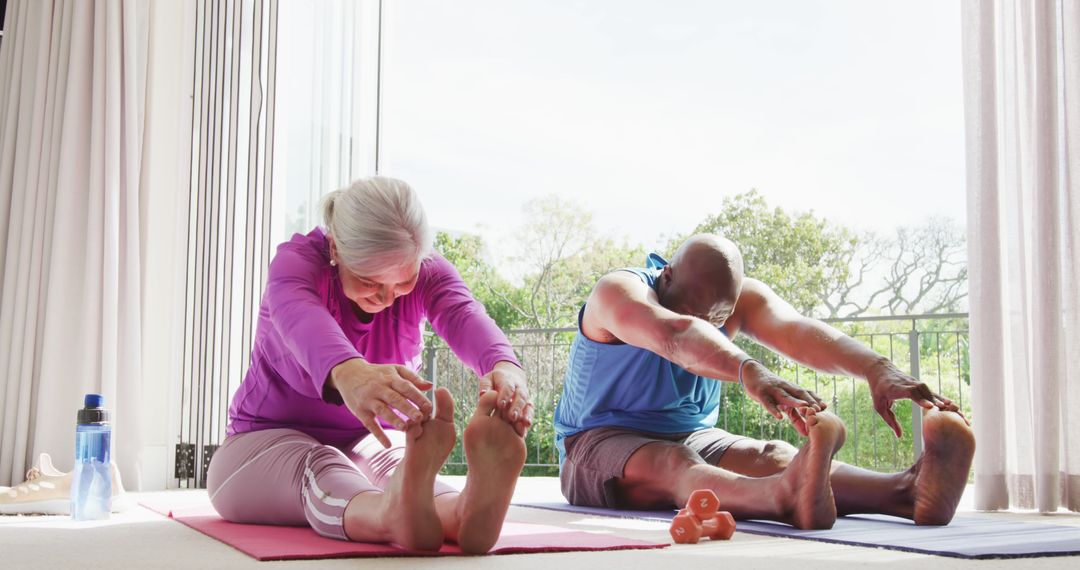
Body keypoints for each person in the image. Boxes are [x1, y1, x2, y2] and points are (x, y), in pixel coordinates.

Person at [554, 233, 975, 529]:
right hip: (595, 443)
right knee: (674, 464)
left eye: (717, 318)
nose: (708, 324)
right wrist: (749, 370)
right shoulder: (617, 292)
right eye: (697, 312)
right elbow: (676, 336)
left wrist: (874, 367)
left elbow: (794, 329)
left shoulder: (738, 299)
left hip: (690, 433)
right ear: (666, 276)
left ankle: (906, 492)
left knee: (775, 454)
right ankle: (780, 498)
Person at [207, 176, 532, 554]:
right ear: (335, 249)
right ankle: (391, 513)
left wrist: (505, 366)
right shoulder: (295, 264)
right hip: (266, 436)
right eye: (369, 281)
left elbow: (462, 313)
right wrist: (351, 372)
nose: (387, 296)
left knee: (397, 464)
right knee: (321, 464)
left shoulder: (430, 271)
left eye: (404, 281)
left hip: (368, 436)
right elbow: (300, 315)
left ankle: (457, 512)